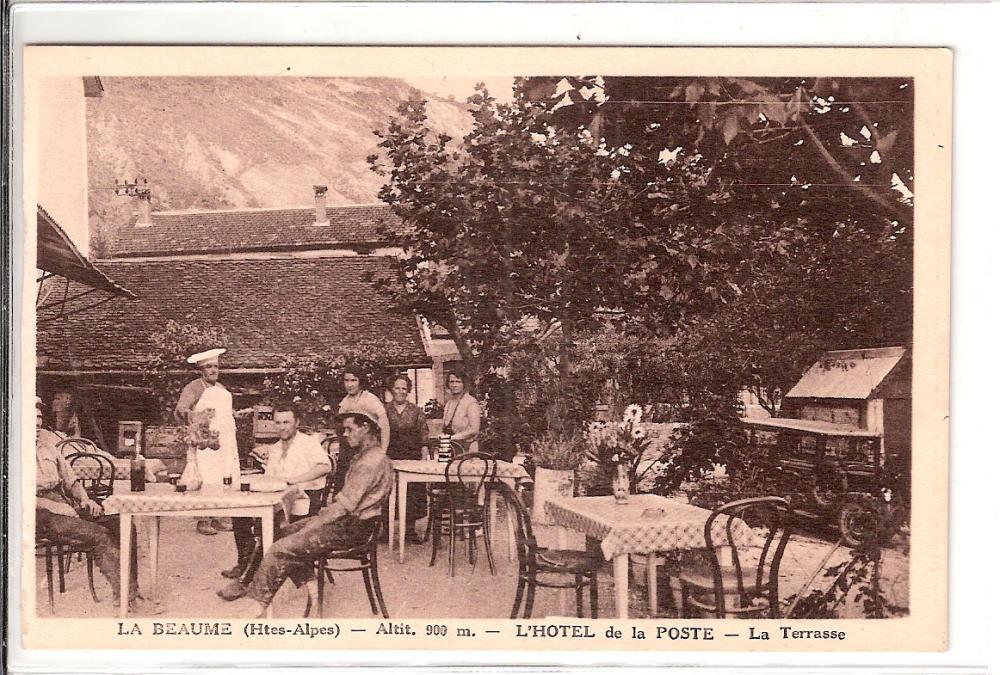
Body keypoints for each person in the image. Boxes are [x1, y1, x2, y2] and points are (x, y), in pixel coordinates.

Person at [222, 411, 393, 616]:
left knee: (279, 548)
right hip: (349, 522)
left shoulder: (370, 462)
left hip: (352, 529)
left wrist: (313, 524)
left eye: (349, 429)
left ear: (365, 428)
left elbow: (342, 508)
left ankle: (255, 606)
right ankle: (308, 580)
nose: (345, 434)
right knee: (278, 534)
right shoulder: (367, 455)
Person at [34, 399, 160, 614]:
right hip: (38, 514)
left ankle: (130, 591)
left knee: (123, 523)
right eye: (30, 420)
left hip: (64, 504)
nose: (36, 425)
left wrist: (86, 500)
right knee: (98, 535)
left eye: (38, 419)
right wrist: (56, 508)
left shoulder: (48, 447)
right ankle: (125, 598)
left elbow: (71, 480)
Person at [217, 403, 332, 599]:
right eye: (278, 422)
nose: (282, 427)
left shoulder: (308, 443)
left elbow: (325, 466)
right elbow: (271, 479)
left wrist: (294, 480)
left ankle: (246, 581)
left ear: (296, 422)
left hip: (305, 504)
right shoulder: (276, 448)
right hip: (280, 500)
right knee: (241, 515)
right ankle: (245, 564)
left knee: (268, 527)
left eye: (286, 422)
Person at [175, 347, 240, 536]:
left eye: (216, 367)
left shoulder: (221, 388)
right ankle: (203, 520)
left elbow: (223, 413)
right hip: (205, 442)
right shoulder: (194, 387)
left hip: (224, 442)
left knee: (223, 476)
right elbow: (181, 409)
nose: (213, 370)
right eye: (209, 367)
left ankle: (219, 517)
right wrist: (198, 416)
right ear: (201, 370)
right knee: (206, 477)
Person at [385, 374, 430, 544]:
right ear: (392, 390)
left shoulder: (416, 411)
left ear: (408, 390)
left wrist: (423, 461)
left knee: (412, 493)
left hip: (411, 456)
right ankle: (386, 529)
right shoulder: (384, 410)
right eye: (397, 388)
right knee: (387, 490)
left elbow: (424, 436)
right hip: (389, 456)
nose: (400, 391)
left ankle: (410, 531)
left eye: (404, 388)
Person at [332, 366, 390, 493]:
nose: (349, 384)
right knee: (343, 484)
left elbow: (384, 424)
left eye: (353, 380)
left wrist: (382, 451)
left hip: (366, 448)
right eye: (346, 381)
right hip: (348, 451)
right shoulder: (344, 402)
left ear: (360, 381)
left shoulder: (370, 399)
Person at [441, 369, 482, 454]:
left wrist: (452, 438)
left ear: (464, 384)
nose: (454, 385)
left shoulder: (471, 402)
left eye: (458, 382)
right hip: (451, 449)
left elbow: (474, 429)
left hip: (467, 450)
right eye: (451, 382)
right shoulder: (449, 404)